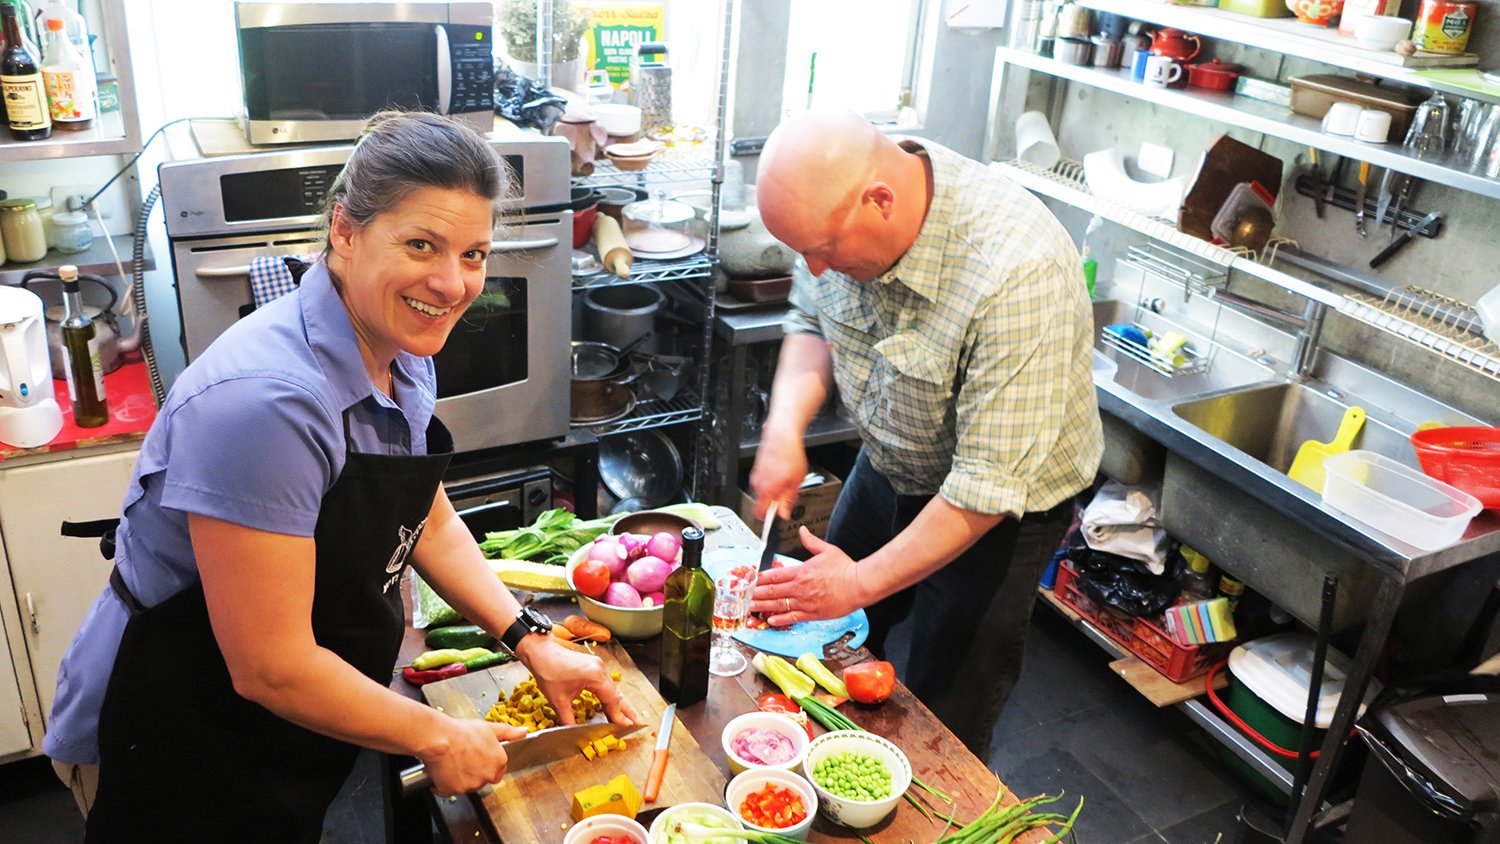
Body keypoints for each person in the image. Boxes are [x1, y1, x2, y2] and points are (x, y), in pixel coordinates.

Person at [44, 111, 639, 841]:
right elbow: (269, 666)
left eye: (475, 254)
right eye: (421, 244)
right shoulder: (266, 406)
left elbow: (422, 513)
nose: (453, 284)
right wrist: (438, 735)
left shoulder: (398, 343)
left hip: (274, 727)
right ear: (345, 232)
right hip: (177, 727)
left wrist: (529, 636)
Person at [746, 110, 1102, 755]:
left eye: (822, 251)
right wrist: (783, 430)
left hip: (997, 514)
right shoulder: (829, 202)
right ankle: (820, 766)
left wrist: (855, 583)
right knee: (820, 644)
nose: (815, 268)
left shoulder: (1017, 271)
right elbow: (810, 320)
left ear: (880, 201)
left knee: (948, 704)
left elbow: (984, 489)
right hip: (888, 464)